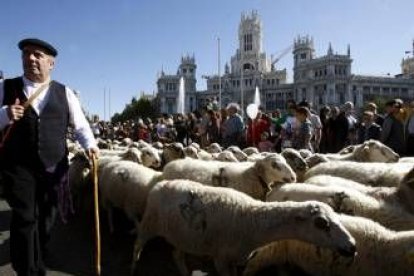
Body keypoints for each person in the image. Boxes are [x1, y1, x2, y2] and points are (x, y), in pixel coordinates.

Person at [0, 38, 99, 276]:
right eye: (26, 54)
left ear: (51, 63)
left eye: (37, 55)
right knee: (25, 216)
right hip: (18, 165)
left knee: (47, 215)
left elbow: (81, 126)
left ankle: (40, 250)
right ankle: (27, 269)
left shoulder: (64, 92)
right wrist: (3, 114)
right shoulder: (6, 87)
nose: (30, 59)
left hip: (54, 165)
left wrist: (91, 145)